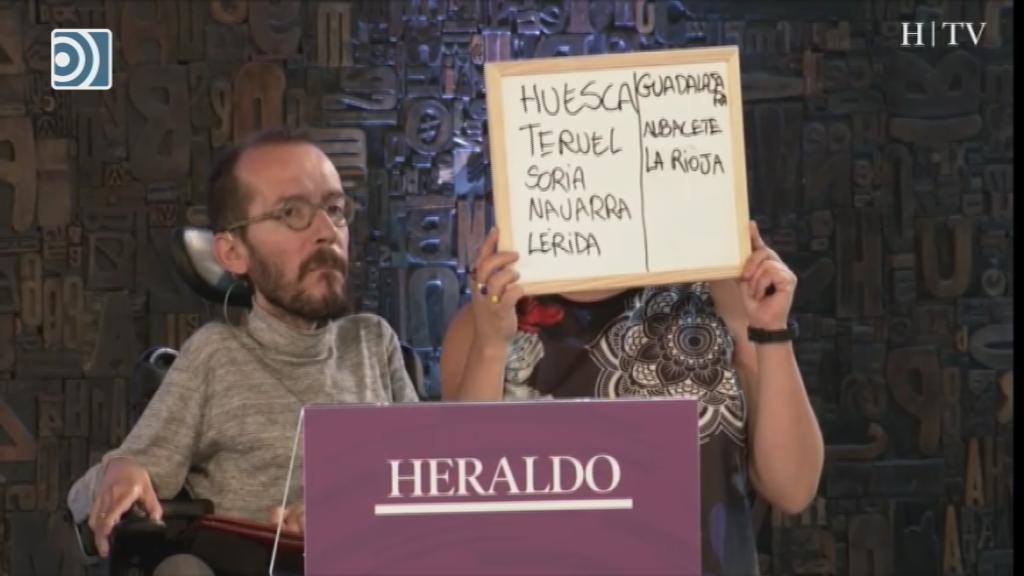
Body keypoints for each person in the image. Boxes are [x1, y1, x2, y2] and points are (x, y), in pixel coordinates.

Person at [67, 128, 419, 569]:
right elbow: (88, 493)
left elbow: (433, 484)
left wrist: (343, 515)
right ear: (233, 253)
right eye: (292, 213)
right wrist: (119, 471)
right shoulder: (217, 355)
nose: (327, 231)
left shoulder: (372, 342)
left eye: (334, 209)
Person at [440, 223, 824, 576]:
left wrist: (770, 328)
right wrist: (491, 345)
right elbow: (464, 511)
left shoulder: (723, 295)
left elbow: (792, 489)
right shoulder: (487, 324)